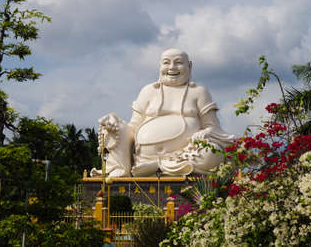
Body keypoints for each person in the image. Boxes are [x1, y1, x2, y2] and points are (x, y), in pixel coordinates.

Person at [91, 48, 234, 177]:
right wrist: (114, 126)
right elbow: (133, 128)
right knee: (115, 126)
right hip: (143, 157)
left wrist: (206, 132)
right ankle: (125, 168)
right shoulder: (149, 91)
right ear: (160, 66)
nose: (172, 67)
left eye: (178, 63)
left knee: (212, 154)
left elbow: (213, 127)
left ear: (189, 66)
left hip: (187, 154)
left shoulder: (198, 91)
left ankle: (157, 166)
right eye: (166, 63)